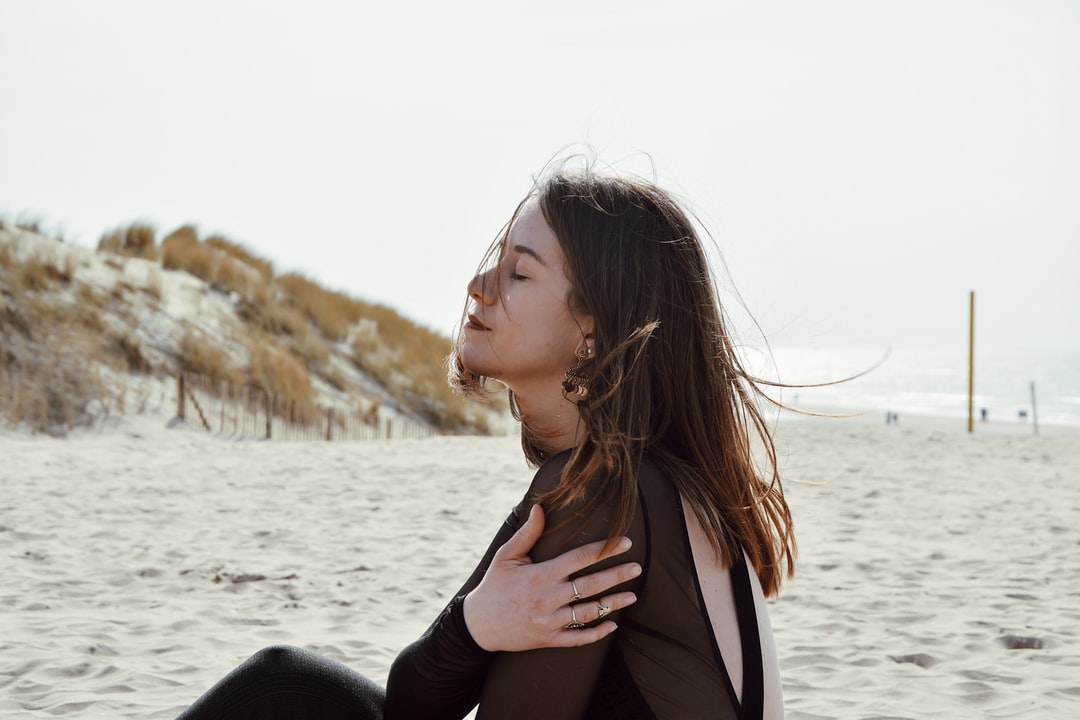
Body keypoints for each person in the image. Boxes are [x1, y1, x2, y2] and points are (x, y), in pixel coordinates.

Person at [176, 163, 796, 720]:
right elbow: (415, 698)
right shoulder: (661, 487)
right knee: (291, 685)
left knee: (280, 693)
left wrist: (473, 628)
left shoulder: (603, 492)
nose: (478, 283)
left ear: (593, 329)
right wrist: (475, 625)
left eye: (518, 272)